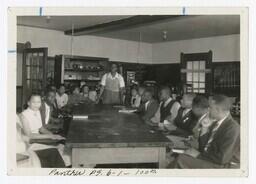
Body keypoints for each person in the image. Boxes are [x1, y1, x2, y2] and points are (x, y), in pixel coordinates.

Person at [169, 95, 240, 168]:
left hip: (222, 165)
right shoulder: (216, 123)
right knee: (181, 156)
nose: (208, 110)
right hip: (211, 159)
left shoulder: (232, 128)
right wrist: (204, 130)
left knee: (181, 160)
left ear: (218, 110)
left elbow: (222, 158)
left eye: (210, 108)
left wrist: (198, 155)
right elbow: (203, 147)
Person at [19, 94, 71, 167]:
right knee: (54, 151)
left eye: (38, 102)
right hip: (31, 143)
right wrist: (50, 136)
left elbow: (41, 129)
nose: (36, 105)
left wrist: (53, 135)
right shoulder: (23, 115)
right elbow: (29, 135)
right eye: (34, 102)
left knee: (63, 145)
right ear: (28, 103)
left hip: (39, 140)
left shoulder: (37, 112)